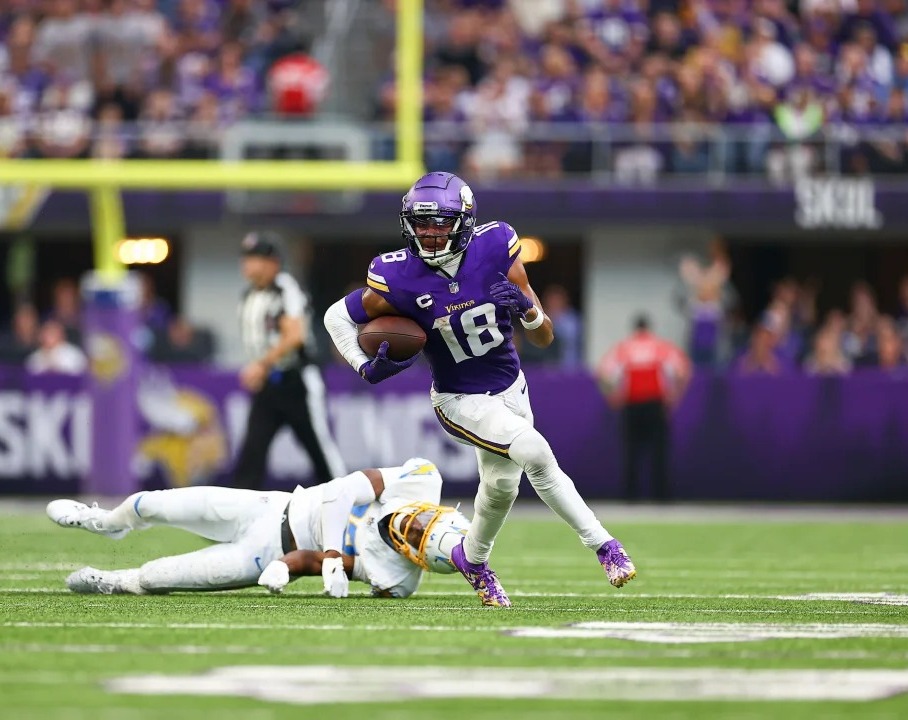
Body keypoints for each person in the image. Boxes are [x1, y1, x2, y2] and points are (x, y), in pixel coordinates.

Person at [323, 171, 636, 608]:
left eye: (440, 222)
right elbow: (336, 317)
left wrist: (527, 311)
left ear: (465, 221)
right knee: (534, 451)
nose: (430, 233)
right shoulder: (396, 276)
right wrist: (362, 365)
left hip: (512, 387)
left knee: (500, 488)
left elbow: (545, 337)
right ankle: (605, 546)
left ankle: (472, 560)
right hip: (458, 398)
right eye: (422, 223)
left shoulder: (496, 247)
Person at [46, 457, 468, 598]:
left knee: (158, 577)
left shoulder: (397, 579)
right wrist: (336, 557)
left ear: (417, 559)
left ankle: (115, 582)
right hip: (267, 508)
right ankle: (104, 522)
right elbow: (339, 494)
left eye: (417, 538)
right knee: (151, 503)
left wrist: (288, 565)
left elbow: (312, 562)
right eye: (426, 522)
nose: (412, 525)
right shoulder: (423, 479)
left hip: (262, 555)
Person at [234, 230, 345, 489]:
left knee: (319, 449)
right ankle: (235, 516)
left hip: (297, 381)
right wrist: (259, 368)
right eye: (246, 257)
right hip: (269, 385)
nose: (248, 264)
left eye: (255, 257)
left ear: (272, 262)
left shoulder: (285, 288)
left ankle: (348, 503)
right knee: (252, 452)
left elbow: (294, 335)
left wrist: (261, 365)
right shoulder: (248, 296)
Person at [596, 314, 691, 502]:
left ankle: (631, 496)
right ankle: (661, 496)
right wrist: (675, 396)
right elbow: (683, 370)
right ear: (649, 328)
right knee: (659, 452)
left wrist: (612, 396)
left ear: (635, 329)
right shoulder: (660, 347)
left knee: (631, 452)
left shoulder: (625, 348)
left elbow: (604, 373)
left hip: (632, 405)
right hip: (655, 405)